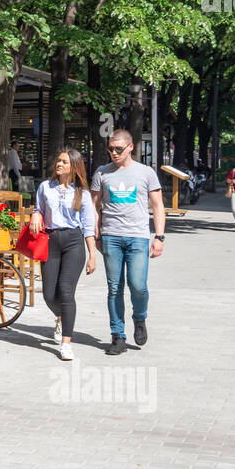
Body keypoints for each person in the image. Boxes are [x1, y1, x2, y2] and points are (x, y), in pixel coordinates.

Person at [90, 129, 165, 356]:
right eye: (110, 149)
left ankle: (139, 318)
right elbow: (94, 207)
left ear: (130, 147)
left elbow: (158, 205)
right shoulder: (102, 173)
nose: (113, 153)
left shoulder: (145, 173)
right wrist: (97, 235)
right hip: (111, 237)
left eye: (118, 149)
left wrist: (159, 237)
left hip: (138, 237)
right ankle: (117, 336)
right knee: (114, 288)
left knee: (138, 286)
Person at [28, 148, 98, 362]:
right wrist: (35, 215)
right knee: (49, 294)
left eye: (64, 162)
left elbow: (88, 226)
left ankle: (66, 343)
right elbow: (38, 208)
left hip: (73, 242)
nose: (59, 164)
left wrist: (92, 255)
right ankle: (61, 316)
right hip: (50, 241)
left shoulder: (83, 194)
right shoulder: (45, 187)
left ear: (74, 167)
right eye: (58, 160)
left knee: (66, 292)